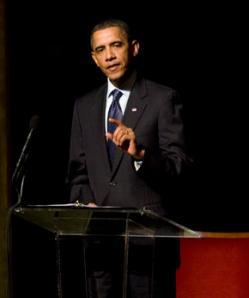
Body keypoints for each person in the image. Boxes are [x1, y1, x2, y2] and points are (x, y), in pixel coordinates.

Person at [67, 18, 191, 298]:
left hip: (148, 247)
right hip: (100, 246)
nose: (109, 55)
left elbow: (180, 167)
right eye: (101, 50)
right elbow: (78, 172)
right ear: (94, 59)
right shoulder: (84, 107)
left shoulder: (162, 98)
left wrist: (141, 155)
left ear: (133, 48)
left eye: (116, 45)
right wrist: (83, 201)